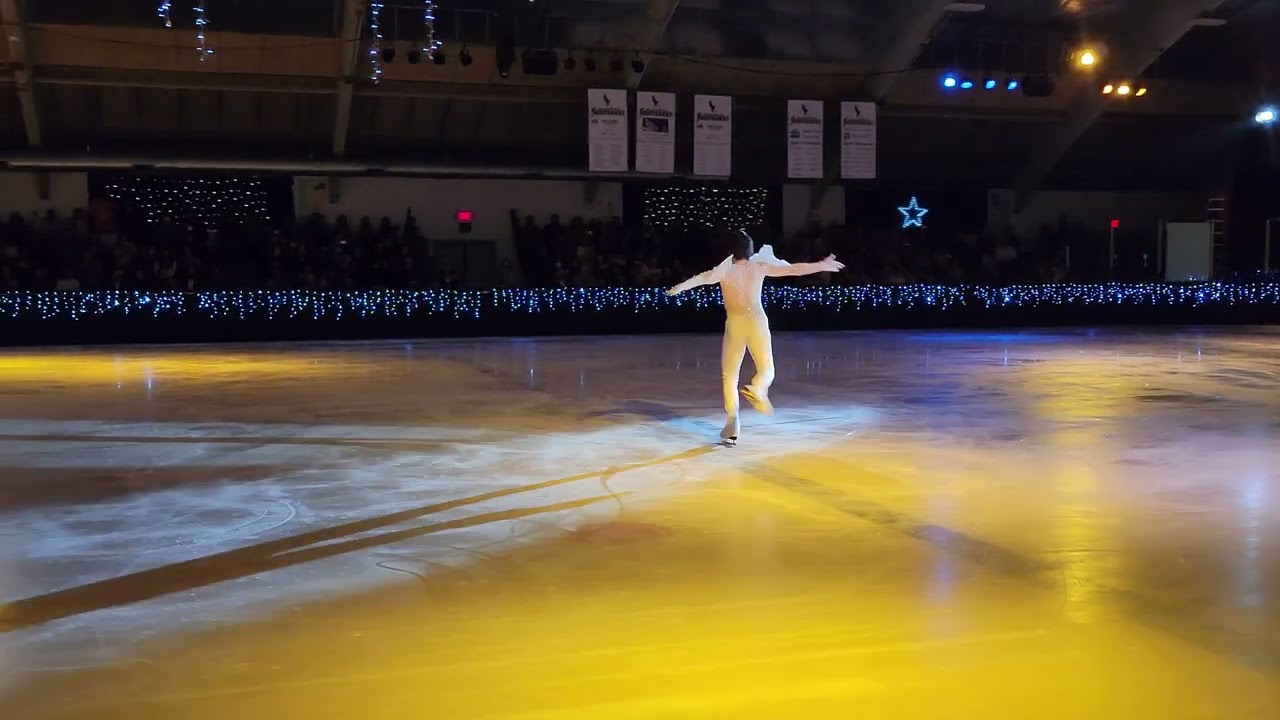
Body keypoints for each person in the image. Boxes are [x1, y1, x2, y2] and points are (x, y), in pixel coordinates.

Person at [666, 230, 844, 445]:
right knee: (767, 369)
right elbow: (793, 269)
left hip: (735, 325)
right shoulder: (759, 266)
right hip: (757, 322)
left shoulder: (724, 270)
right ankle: (758, 387)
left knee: (730, 376)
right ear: (750, 250)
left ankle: (733, 424)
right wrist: (821, 265)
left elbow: (701, 279)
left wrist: (678, 288)